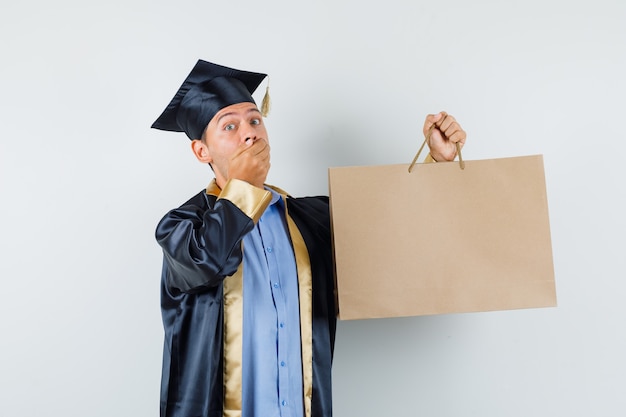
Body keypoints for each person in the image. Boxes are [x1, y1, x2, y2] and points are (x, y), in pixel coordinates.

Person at [151, 59, 466, 417]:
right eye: (230, 126)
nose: (250, 133)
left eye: (255, 120)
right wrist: (242, 189)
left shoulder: (310, 219)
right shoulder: (181, 228)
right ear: (201, 151)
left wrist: (438, 164)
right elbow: (207, 261)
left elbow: (389, 233)